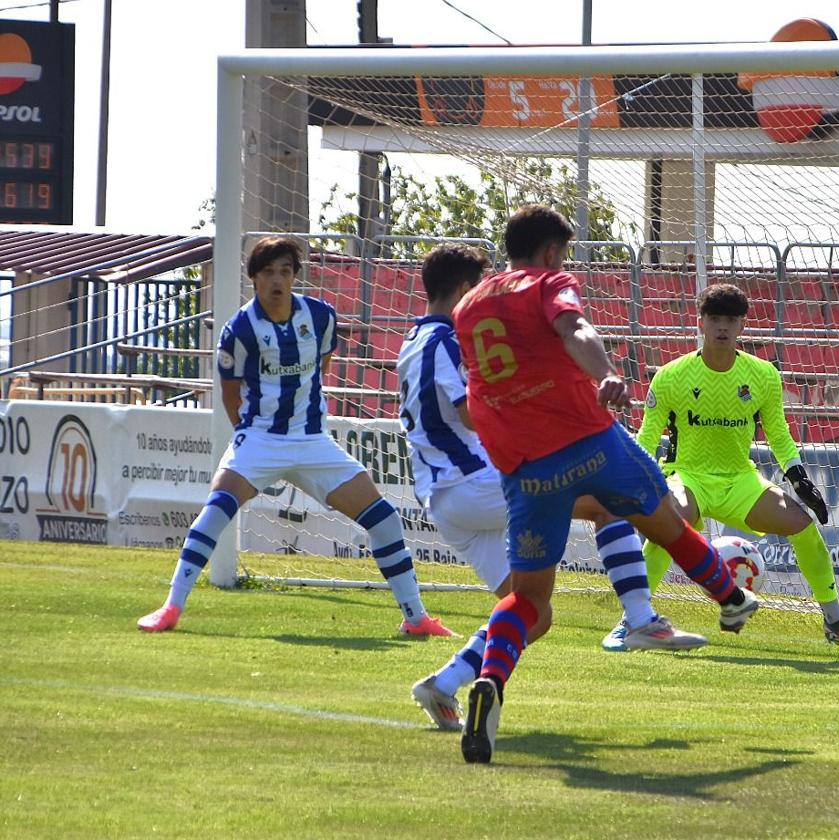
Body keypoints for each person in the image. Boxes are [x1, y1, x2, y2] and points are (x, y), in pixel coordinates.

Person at [452, 205, 759, 764]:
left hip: (523, 465)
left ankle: (491, 681)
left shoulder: (469, 306)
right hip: (585, 438)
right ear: (550, 252)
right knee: (663, 513)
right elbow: (573, 326)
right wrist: (605, 373)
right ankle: (730, 595)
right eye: (563, 253)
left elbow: (478, 383)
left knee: (530, 602)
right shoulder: (548, 281)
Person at [399, 243, 708, 732]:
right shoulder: (450, 339)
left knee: (532, 615)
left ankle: (445, 682)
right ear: (462, 290)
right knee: (611, 500)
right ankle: (640, 618)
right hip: (473, 482)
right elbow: (465, 410)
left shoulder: (412, 340)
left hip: (445, 497)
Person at [136, 236, 452, 637]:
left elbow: (323, 366)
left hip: (312, 441)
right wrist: (250, 436)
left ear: (295, 276)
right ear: (254, 278)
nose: (277, 280)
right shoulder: (240, 330)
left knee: (385, 520)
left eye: (285, 271)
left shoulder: (320, 317)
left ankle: (415, 617)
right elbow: (229, 391)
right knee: (217, 510)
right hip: (261, 439)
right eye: (268, 272)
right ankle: (170, 608)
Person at [606, 282, 839, 659]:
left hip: (740, 479)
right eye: (715, 318)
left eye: (731, 320)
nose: (723, 327)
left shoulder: (763, 375)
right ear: (701, 322)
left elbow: (780, 435)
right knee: (670, 519)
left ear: (742, 326)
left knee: (802, 524)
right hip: (689, 475)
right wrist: (634, 480)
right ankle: (633, 621)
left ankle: (836, 621)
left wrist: (799, 478)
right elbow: (647, 437)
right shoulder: (670, 376)